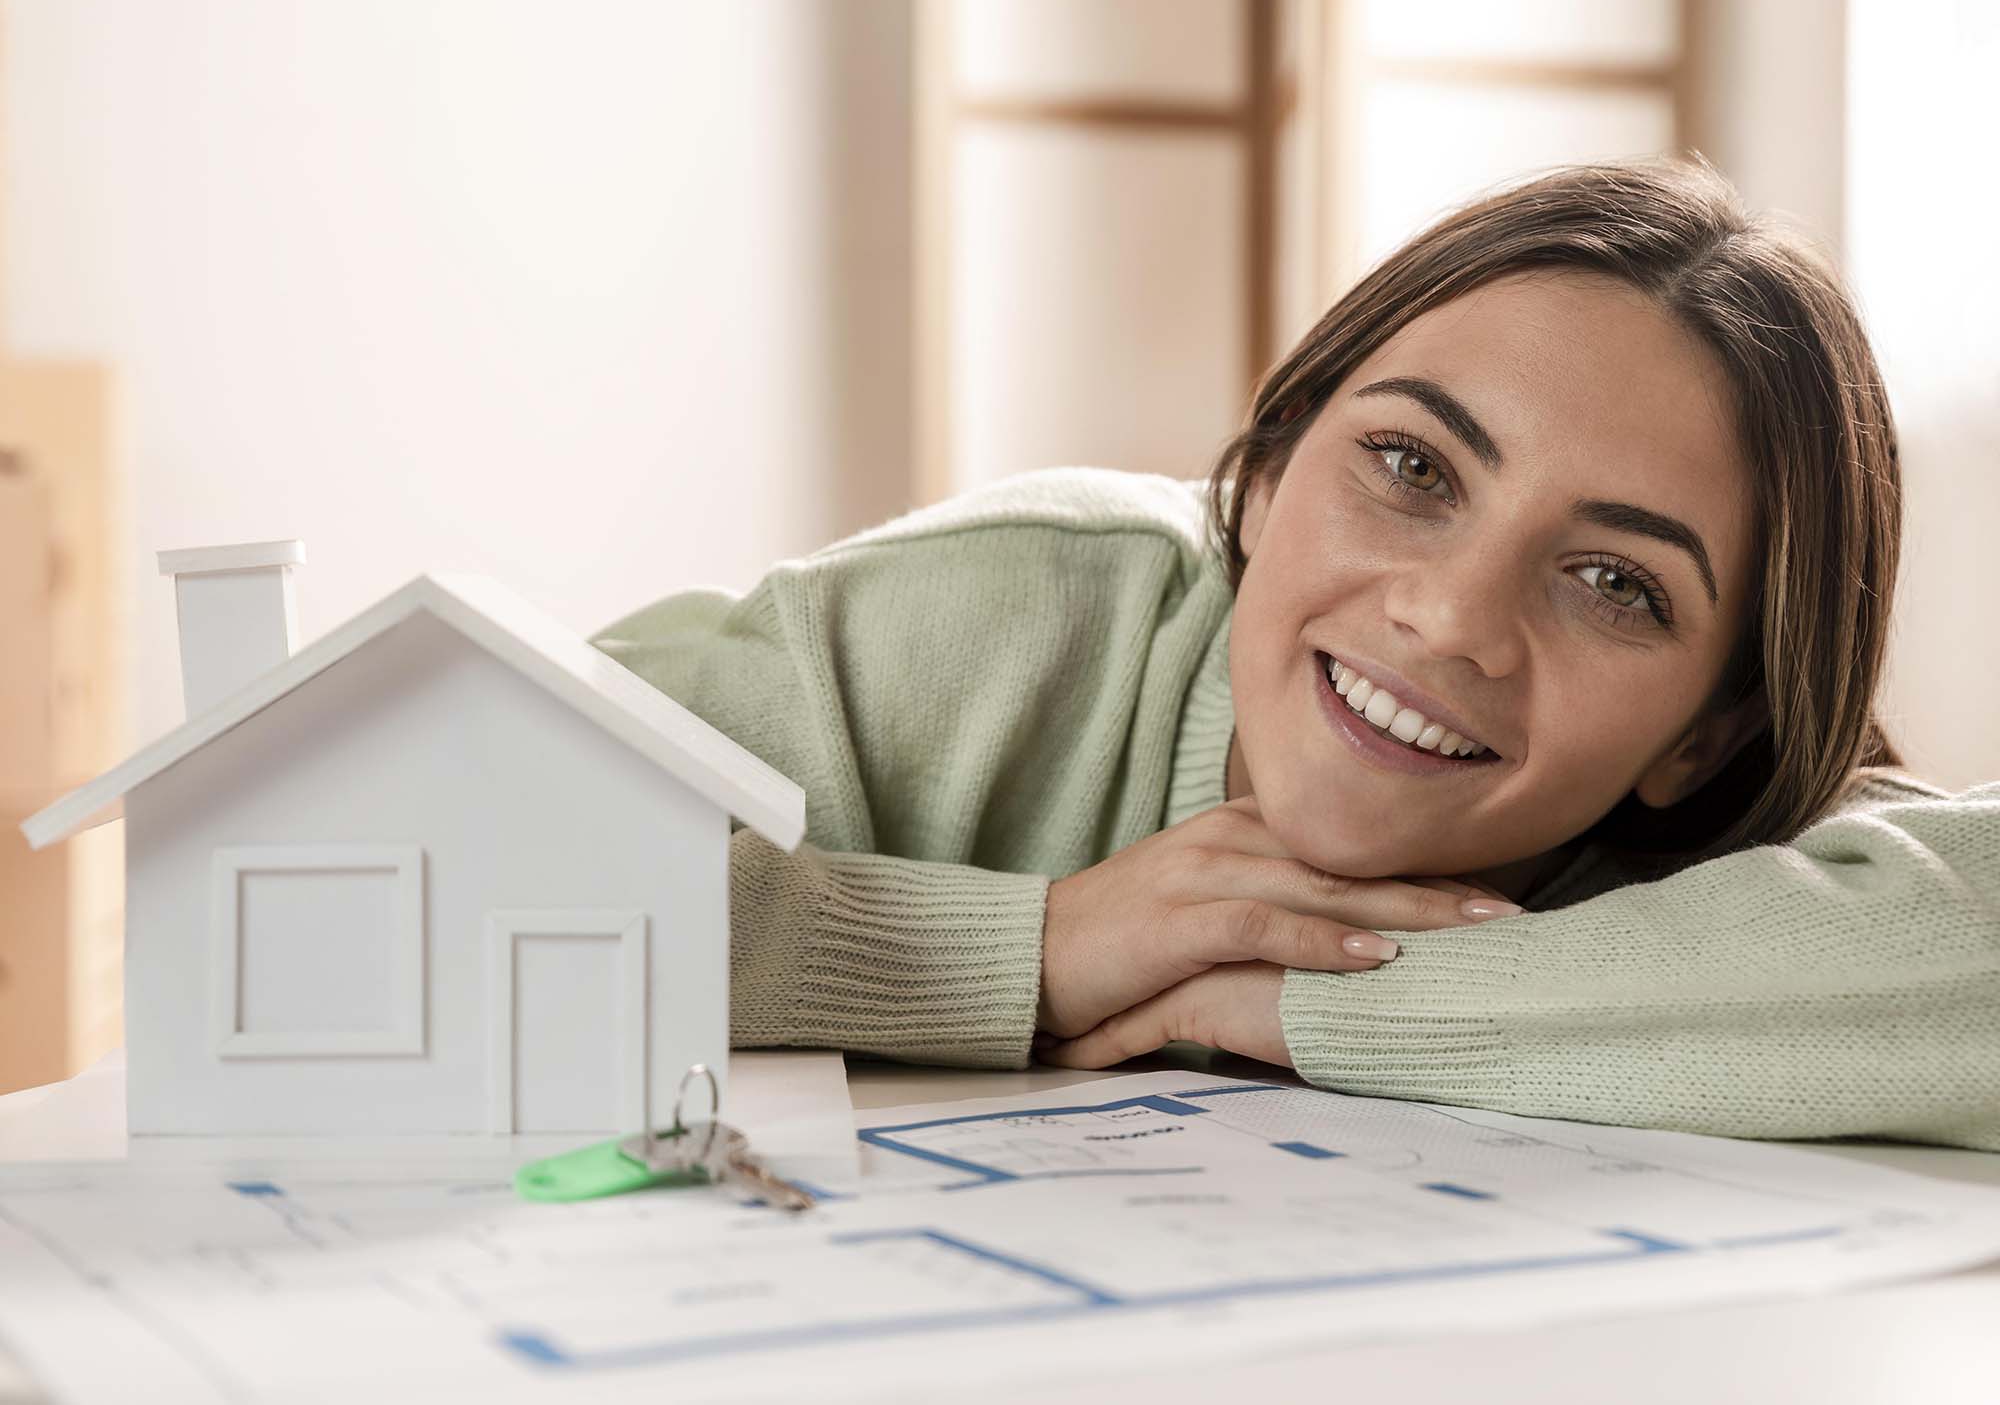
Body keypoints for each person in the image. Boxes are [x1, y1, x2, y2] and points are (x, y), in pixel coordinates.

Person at [594, 158, 2000, 1152]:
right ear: (1267, 476)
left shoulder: (1730, 834)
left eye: (1613, 582)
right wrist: (1033, 950)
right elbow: (429, 825)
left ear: (1704, 733)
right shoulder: (1022, 607)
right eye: (1410, 463)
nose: (1449, 617)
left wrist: (1337, 998)